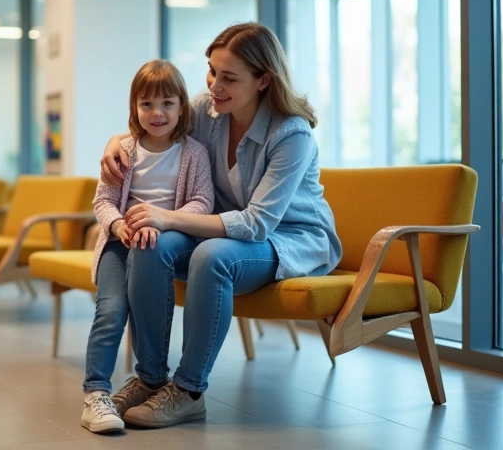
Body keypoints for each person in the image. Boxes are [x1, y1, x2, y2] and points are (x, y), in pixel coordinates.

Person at [99, 22, 342, 428]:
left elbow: (257, 223)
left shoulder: (292, 134)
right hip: (223, 231)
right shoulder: (207, 111)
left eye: (229, 77)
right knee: (149, 241)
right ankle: (151, 377)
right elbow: (156, 126)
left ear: (264, 80)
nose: (215, 85)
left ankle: (190, 390)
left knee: (211, 257)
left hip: (286, 240)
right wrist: (113, 142)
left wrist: (171, 217)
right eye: (212, 71)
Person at [80, 60, 214, 434]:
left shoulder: (194, 153)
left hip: (166, 240)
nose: (157, 113)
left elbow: (202, 201)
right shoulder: (123, 150)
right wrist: (121, 225)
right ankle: (96, 395)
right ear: (134, 109)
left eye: (168, 104)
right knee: (111, 309)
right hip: (120, 242)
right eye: (147, 104)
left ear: (182, 107)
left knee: (145, 295)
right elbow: (103, 201)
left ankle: (151, 379)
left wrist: (162, 220)